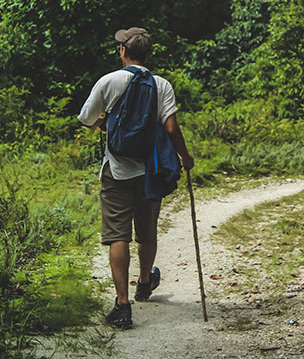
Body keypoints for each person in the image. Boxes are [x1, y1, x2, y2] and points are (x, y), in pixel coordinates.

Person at [78, 27, 194, 328]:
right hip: (150, 171)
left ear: (123, 52)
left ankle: (122, 304)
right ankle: (144, 283)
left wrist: (104, 124)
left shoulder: (109, 81)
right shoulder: (162, 85)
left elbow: (86, 118)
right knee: (147, 230)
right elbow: (170, 128)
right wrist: (184, 156)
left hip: (116, 170)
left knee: (118, 235)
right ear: (147, 54)